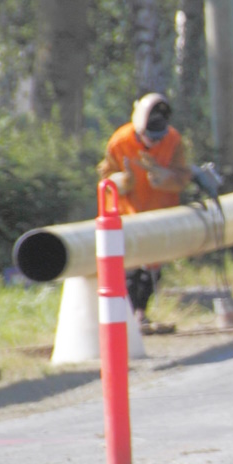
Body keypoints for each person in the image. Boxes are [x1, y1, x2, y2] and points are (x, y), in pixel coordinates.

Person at [97, 93, 191, 334]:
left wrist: (165, 178)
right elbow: (106, 179)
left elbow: (183, 176)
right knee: (130, 267)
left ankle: (140, 313)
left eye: (157, 139)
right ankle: (127, 315)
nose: (152, 144)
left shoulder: (173, 140)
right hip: (130, 213)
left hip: (160, 211)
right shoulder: (120, 142)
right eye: (148, 138)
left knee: (152, 268)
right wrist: (122, 182)